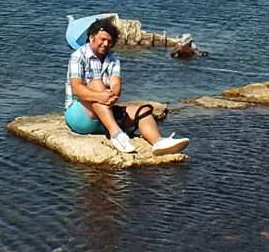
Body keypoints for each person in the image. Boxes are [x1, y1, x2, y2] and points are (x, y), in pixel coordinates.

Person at [65, 18, 189, 155]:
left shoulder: (113, 58)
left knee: (143, 110)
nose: (106, 44)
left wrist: (113, 95)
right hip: (80, 115)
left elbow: (116, 83)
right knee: (96, 83)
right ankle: (116, 134)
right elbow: (76, 88)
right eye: (102, 39)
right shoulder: (78, 56)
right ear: (91, 37)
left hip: (105, 115)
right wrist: (101, 95)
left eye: (110, 41)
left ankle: (159, 142)